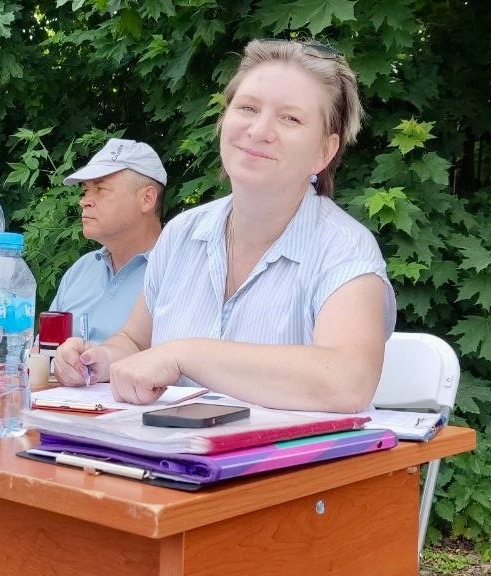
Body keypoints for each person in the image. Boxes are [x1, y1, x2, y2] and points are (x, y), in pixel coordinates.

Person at [55, 39, 397, 413]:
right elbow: (135, 342)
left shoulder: (344, 249)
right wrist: (100, 359)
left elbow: (347, 382)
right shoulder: (181, 234)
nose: (259, 130)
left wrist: (185, 354)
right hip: (170, 447)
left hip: (281, 453)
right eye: (248, 108)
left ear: (324, 152)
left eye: (290, 118)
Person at [48, 138, 165, 344]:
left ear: (147, 199)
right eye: (85, 190)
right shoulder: (81, 270)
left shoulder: (176, 272)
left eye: (101, 189)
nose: (84, 201)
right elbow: (42, 351)